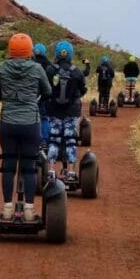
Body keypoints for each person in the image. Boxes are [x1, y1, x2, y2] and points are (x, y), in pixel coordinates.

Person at [0, 33, 52, 222]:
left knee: (8, 165)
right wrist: (32, 102)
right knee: (29, 167)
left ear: (10, 50)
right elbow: (48, 91)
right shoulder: (37, 69)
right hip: (30, 123)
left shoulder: (2, 67)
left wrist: (10, 102)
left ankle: (8, 208)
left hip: (8, 123)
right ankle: (28, 210)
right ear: (29, 50)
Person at [45, 40, 89, 177]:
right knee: (70, 141)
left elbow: (45, 89)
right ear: (70, 54)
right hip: (72, 111)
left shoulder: (50, 70)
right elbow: (83, 90)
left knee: (53, 140)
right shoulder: (76, 72)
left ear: (57, 53)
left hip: (54, 111)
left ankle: (51, 171)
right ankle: (70, 172)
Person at [32, 43, 54, 146]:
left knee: (31, 118)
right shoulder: (49, 65)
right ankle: (44, 141)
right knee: (44, 118)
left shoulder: (30, 63)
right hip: (45, 96)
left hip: (32, 96)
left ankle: (32, 141)